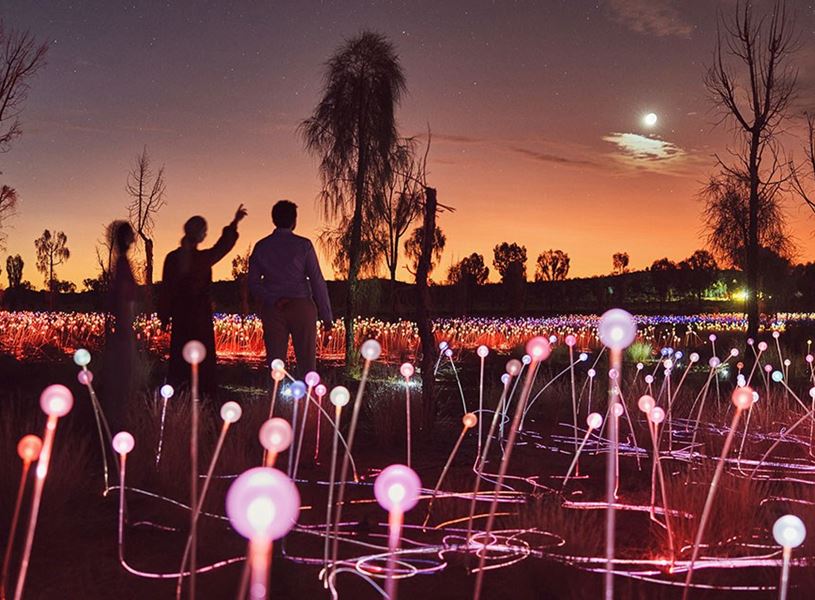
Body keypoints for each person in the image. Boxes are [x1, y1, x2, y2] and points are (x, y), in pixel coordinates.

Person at [159, 205, 247, 398]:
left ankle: (180, 394)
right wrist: (234, 223)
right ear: (199, 234)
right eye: (204, 231)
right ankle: (203, 395)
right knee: (202, 359)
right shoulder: (201, 259)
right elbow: (222, 247)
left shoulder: (172, 258)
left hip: (180, 316)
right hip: (199, 317)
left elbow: (166, 289)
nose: (206, 234)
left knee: (180, 357)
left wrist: (164, 316)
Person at [249, 200, 332, 376]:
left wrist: (272, 299)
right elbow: (317, 281)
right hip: (301, 305)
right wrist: (326, 316)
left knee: (275, 363)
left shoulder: (262, 246)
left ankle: (275, 392)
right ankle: (308, 392)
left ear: (274, 219)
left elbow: (253, 283)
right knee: (307, 362)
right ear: (294, 220)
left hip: (273, 308)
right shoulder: (303, 245)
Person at [103, 220, 137, 432]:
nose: (134, 237)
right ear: (125, 238)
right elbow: (124, 296)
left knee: (122, 374)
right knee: (124, 374)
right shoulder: (123, 263)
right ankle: (119, 422)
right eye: (131, 233)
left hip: (123, 325)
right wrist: (126, 328)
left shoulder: (120, 262)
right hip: (124, 327)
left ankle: (118, 419)